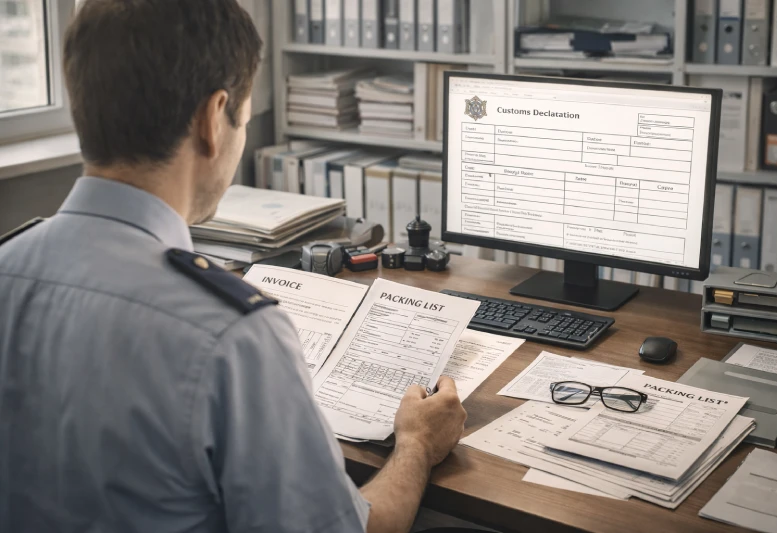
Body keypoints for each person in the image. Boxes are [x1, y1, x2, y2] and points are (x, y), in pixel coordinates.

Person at [0, 1, 469, 532]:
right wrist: (416, 445)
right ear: (212, 119)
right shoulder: (233, 335)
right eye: (243, 117)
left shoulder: (7, 267)